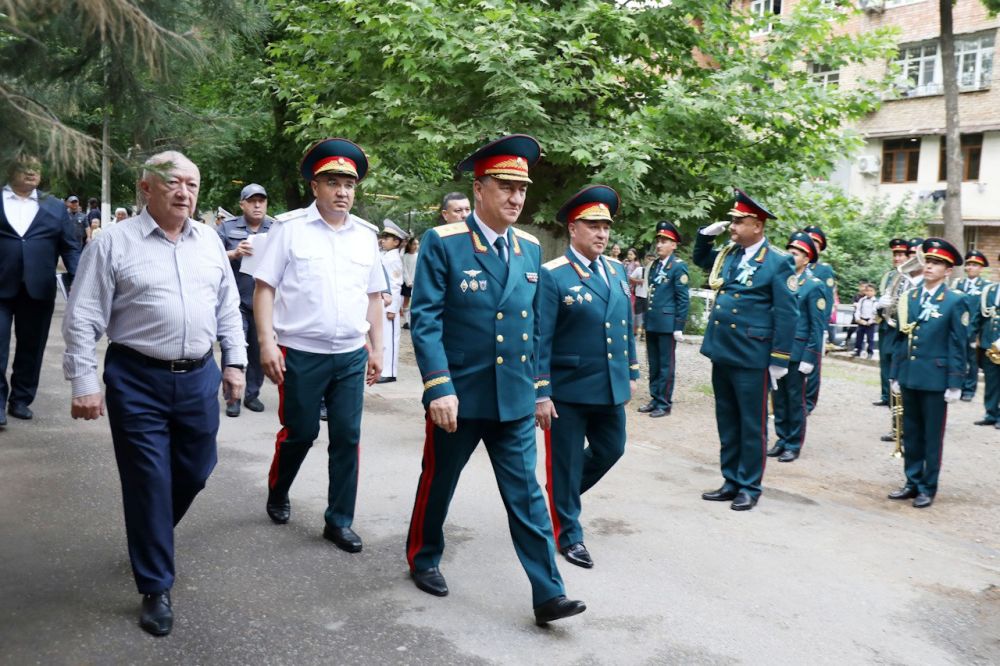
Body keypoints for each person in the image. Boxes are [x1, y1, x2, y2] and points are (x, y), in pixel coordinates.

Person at [62, 151, 246, 636]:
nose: (185, 192)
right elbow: (83, 317)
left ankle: (151, 533)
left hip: (198, 376)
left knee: (196, 469)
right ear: (146, 189)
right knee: (147, 480)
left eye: (193, 183)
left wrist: (236, 362)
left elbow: (228, 306)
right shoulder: (113, 244)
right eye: (173, 183)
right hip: (136, 377)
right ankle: (155, 585)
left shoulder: (208, 241)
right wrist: (83, 382)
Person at [405, 134, 584, 626]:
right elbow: (425, 319)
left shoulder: (529, 249)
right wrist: (438, 386)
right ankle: (423, 555)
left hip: (514, 398)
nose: (515, 198)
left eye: (521, 189)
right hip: (459, 396)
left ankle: (549, 591)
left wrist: (541, 391)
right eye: (505, 187)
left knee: (527, 493)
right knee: (439, 482)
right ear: (479, 189)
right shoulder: (445, 242)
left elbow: (537, 327)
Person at [253, 138, 385, 553]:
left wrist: (376, 348)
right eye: (332, 182)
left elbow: (374, 296)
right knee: (301, 432)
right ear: (315, 187)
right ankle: (279, 490)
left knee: (347, 435)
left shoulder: (366, 236)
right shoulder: (289, 229)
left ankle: (339, 520)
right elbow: (264, 287)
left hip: (349, 353)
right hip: (301, 351)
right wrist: (267, 343)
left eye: (348, 184)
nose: (342, 191)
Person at [536, 185, 638, 570]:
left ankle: (560, 498)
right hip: (568, 389)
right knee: (563, 464)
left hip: (609, 385)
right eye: (593, 226)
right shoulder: (553, 275)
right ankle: (569, 534)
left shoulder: (615, 270)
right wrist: (541, 391)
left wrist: (629, 372)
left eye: (605, 227)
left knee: (612, 449)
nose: (601, 234)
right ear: (573, 229)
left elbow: (624, 325)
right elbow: (541, 337)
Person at [693, 189, 797, 511]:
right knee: (727, 418)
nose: (733, 226)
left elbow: (787, 312)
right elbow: (701, 260)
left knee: (752, 423)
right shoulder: (730, 254)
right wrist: (703, 238)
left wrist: (779, 358)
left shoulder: (778, 262)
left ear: (758, 226)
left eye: (740, 221)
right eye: (733, 220)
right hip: (723, 349)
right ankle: (730, 479)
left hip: (753, 354)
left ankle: (749, 485)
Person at [887, 238, 968, 508]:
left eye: (938, 264)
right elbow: (902, 338)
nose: (931, 267)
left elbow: (958, 344)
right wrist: (896, 373)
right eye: (929, 262)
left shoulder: (955, 301)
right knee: (910, 432)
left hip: (935, 379)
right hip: (910, 375)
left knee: (931, 436)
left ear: (948, 271)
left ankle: (927, 487)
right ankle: (911, 481)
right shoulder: (910, 297)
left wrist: (955, 382)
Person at [0, 156, 81, 426]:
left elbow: (69, 246)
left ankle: (21, 399)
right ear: (10, 171)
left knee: (31, 348)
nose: (32, 172)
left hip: (38, 288)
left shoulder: (55, 206)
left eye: (37, 168)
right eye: (25, 167)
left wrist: (79, 278)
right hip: (1, 286)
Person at [767, 232, 824, 463]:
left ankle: (793, 443)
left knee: (794, 399)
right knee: (777, 397)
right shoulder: (781, 279)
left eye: (797, 252)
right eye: (790, 250)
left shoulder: (813, 286)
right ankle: (781, 438)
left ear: (807, 259)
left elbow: (816, 325)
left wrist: (810, 357)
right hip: (777, 348)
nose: (792, 254)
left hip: (798, 351)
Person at [217, 183, 273, 417]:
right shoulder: (227, 228)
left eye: (261, 200)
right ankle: (232, 397)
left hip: (264, 303)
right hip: (235, 301)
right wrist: (234, 253)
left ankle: (252, 394)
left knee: (259, 351)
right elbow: (211, 258)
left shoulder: (277, 228)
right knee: (234, 347)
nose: (257, 205)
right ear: (242, 204)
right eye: (252, 201)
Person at [637, 221, 689, 418]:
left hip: (668, 325)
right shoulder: (657, 265)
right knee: (654, 363)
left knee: (666, 365)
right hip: (653, 322)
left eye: (665, 241)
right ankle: (654, 398)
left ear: (674, 245)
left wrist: (679, 326)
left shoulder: (678, 267)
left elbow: (683, 298)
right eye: (658, 240)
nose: (659, 245)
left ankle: (664, 403)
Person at [802, 225, 836, 413]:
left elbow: (827, 301)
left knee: (812, 365)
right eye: (808, 240)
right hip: (796, 324)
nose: (811, 245)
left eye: (815, 242)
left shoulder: (823, 270)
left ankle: (808, 402)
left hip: (815, 324)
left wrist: (822, 328)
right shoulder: (793, 265)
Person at [873, 238, 911, 406]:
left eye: (901, 254)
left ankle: (896, 397)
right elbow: (884, 297)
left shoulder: (910, 276)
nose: (897, 258)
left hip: (900, 325)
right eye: (895, 254)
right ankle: (885, 395)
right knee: (884, 360)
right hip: (886, 324)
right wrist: (879, 305)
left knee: (896, 362)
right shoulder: (888, 276)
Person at [954, 250, 990, 401]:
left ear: (981, 268)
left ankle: (969, 389)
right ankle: (958, 386)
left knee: (972, 360)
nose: (970, 267)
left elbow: (984, 312)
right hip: (958, 328)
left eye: (975, 265)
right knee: (958, 358)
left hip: (974, 330)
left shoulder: (986, 287)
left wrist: (979, 335)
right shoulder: (958, 284)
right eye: (968, 264)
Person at [378, 219, 407, 383]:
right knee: (384, 337)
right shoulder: (386, 255)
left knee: (390, 339)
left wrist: (393, 308)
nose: (383, 240)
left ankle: (390, 372)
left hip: (390, 304)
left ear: (396, 242)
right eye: (383, 237)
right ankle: (385, 369)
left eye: (387, 238)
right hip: (383, 301)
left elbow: (396, 284)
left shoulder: (393, 258)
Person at [975, 264, 1000, 430]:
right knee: (991, 381)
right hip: (990, 343)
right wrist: (974, 337)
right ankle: (991, 413)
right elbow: (980, 316)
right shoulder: (989, 290)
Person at [852, 282, 877, 359]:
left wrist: (870, 321)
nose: (869, 293)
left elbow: (875, 313)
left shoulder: (876, 301)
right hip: (862, 320)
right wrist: (858, 319)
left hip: (870, 321)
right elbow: (858, 310)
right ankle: (857, 350)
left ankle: (870, 352)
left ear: (875, 292)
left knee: (870, 338)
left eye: (871, 291)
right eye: (867, 291)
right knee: (859, 336)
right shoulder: (862, 300)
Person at [401, 235, 419, 329]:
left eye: (417, 244)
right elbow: (404, 270)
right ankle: (406, 321)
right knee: (406, 301)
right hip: (408, 282)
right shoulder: (405, 256)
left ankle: (413, 321)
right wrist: (408, 282)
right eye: (414, 244)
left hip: (417, 282)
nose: (416, 246)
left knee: (415, 302)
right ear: (410, 245)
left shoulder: (419, 256)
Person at [630, 250, 649, 339]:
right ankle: (634, 334)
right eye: (648, 258)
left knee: (647, 316)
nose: (650, 261)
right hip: (639, 295)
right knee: (637, 316)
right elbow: (630, 279)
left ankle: (644, 334)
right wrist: (638, 281)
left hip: (649, 297)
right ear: (645, 259)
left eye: (652, 259)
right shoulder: (639, 269)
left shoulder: (656, 271)